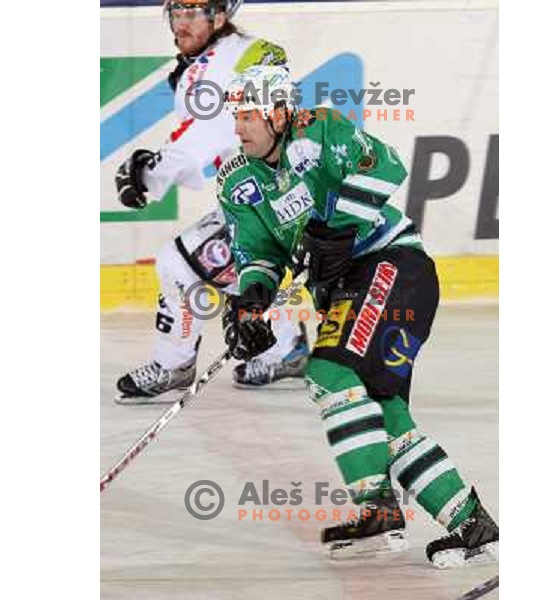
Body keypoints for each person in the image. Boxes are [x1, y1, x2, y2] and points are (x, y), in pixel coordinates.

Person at [217, 66, 499, 567]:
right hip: (349, 289)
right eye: (235, 117)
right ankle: (470, 521)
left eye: (246, 116)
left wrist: (337, 228)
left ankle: (378, 509)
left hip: (392, 266)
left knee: (329, 371)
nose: (237, 128)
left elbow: (385, 164)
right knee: (382, 412)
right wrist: (251, 302)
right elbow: (259, 254)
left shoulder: (319, 129)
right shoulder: (240, 181)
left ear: (280, 113)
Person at [113, 1, 308, 401]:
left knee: (177, 263)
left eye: (192, 13)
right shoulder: (218, 58)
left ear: (218, 17)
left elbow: (205, 137)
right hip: (271, 194)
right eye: (176, 13)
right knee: (238, 266)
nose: (181, 23)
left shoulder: (221, 60)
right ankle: (286, 347)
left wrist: (150, 171)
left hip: (273, 198)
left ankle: (173, 365)